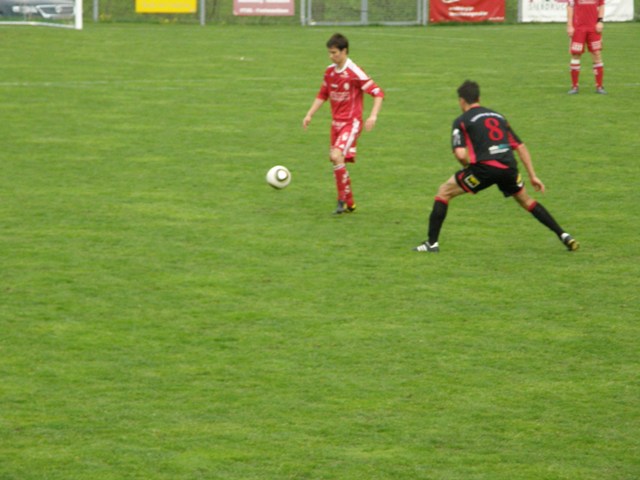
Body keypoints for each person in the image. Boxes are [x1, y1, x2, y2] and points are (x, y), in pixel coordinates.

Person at [414, 80, 579, 253]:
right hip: (509, 168)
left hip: (483, 170)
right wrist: (533, 176)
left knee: (444, 192)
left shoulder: (461, 120)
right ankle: (564, 235)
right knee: (526, 201)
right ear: (479, 98)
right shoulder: (498, 117)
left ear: (461, 101)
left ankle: (432, 244)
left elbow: (461, 154)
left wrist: (468, 167)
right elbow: (520, 146)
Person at [303, 33, 384, 215]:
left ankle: (341, 201)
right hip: (336, 124)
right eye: (329, 53)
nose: (331, 56)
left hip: (351, 123)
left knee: (336, 155)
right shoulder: (329, 72)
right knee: (336, 160)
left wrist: (373, 116)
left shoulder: (354, 72)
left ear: (344, 51)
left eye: (334, 53)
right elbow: (323, 94)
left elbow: (378, 93)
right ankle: (350, 202)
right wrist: (309, 114)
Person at [567, 0, 606, 94]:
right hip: (578, 28)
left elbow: (601, 5)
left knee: (596, 54)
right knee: (576, 54)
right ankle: (574, 87)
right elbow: (570, 7)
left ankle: (599, 87)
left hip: (593, 28)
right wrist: (569, 25)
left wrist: (600, 21)